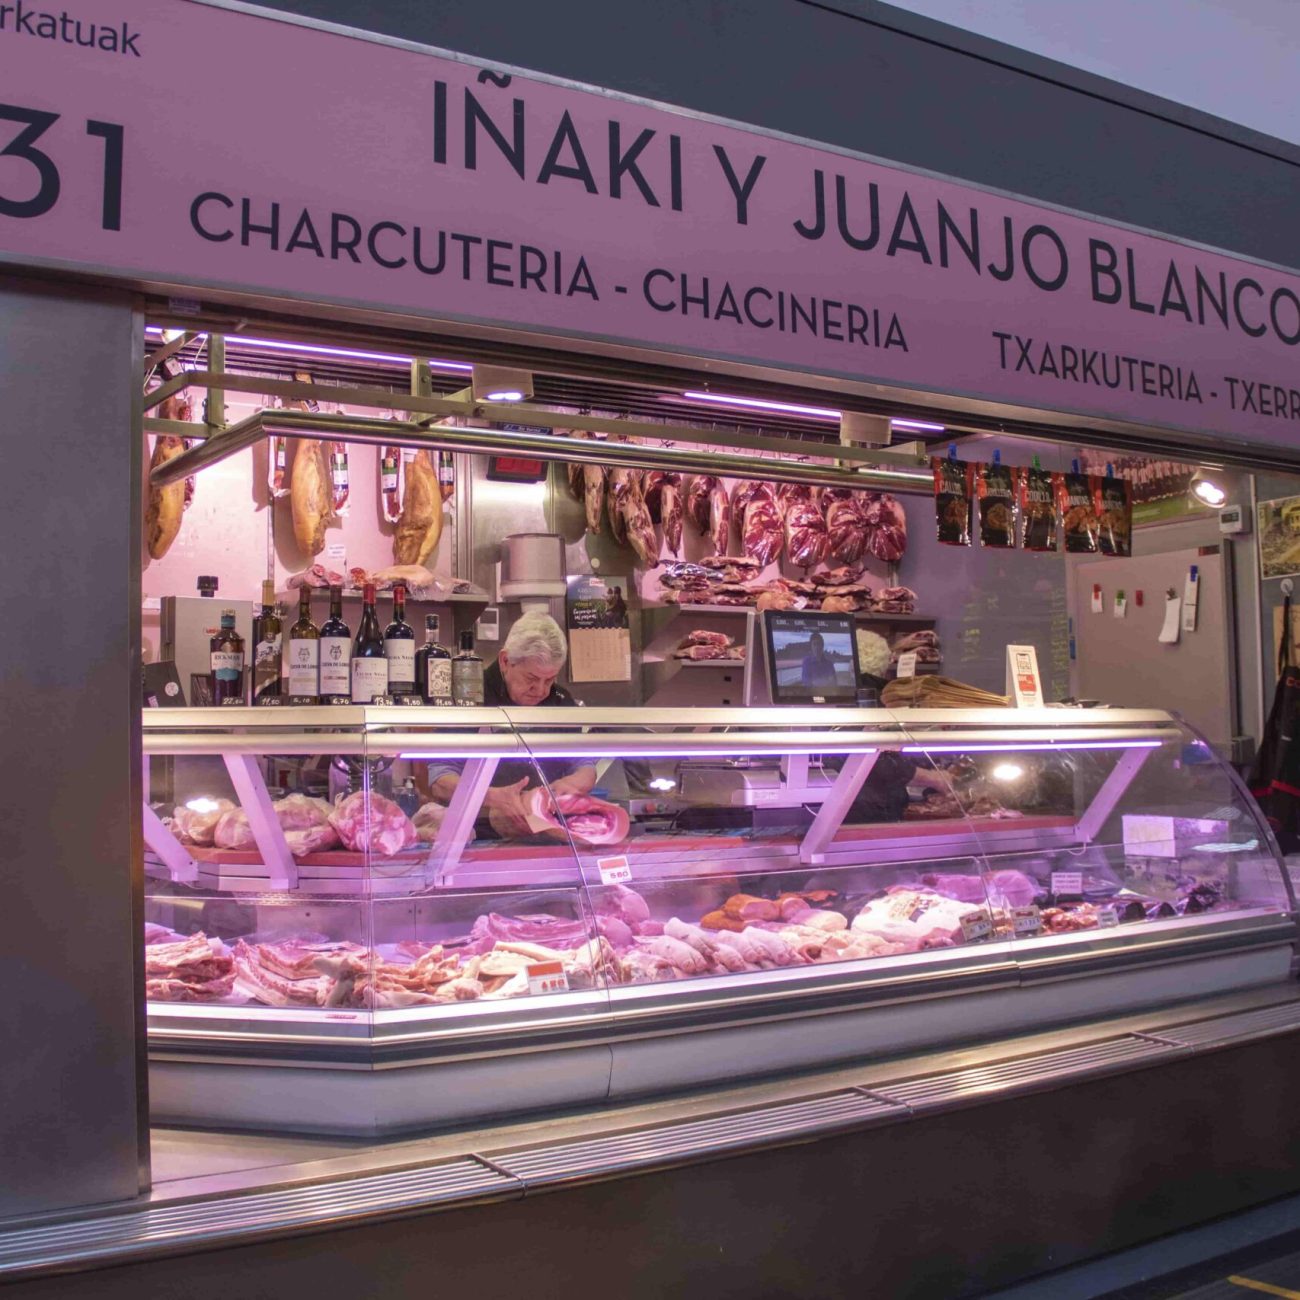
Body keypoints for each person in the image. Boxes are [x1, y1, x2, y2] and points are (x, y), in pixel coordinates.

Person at [426, 611, 596, 837]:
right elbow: (439, 777)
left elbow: (584, 762)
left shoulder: (560, 701)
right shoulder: (471, 697)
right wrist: (491, 796)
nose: (542, 690)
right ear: (505, 661)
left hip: (547, 835)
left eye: (550, 679)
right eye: (532, 679)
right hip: (476, 838)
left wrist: (574, 782)